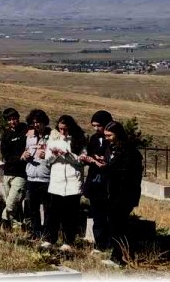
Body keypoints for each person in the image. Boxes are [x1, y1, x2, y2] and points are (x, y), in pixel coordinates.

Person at [101, 120, 143, 263]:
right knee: (114, 226)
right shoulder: (111, 148)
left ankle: (121, 257)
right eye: (105, 136)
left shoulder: (129, 151)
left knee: (119, 226)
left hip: (124, 194)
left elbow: (127, 175)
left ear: (118, 134)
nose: (106, 138)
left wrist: (108, 168)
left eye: (109, 135)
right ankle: (117, 255)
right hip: (112, 193)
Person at [43, 115, 86, 252]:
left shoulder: (79, 139)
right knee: (53, 213)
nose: (62, 132)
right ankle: (50, 239)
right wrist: (55, 154)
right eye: (60, 129)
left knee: (70, 214)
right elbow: (47, 160)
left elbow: (81, 160)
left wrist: (68, 155)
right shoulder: (53, 138)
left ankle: (68, 241)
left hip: (73, 181)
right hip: (57, 182)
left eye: (65, 129)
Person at [82, 110, 113, 249]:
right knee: (97, 216)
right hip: (95, 181)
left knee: (108, 216)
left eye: (98, 125)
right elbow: (90, 155)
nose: (96, 129)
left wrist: (102, 161)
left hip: (108, 183)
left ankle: (110, 242)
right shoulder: (94, 138)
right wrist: (88, 159)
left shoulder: (112, 140)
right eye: (93, 126)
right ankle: (100, 244)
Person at [22, 109, 52, 239]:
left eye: (39, 122)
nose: (36, 125)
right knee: (32, 207)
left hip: (46, 177)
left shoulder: (52, 136)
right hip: (31, 175)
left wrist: (48, 155)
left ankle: (47, 233)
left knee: (47, 208)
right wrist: (24, 155)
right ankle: (35, 231)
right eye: (33, 122)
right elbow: (24, 151)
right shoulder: (29, 136)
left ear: (44, 122)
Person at [0, 108, 28, 228]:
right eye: (9, 120)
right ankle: (17, 228)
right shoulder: (5, 135)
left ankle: (3, 219)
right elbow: (6, 156)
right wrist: (18, 157)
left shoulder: (26, 129)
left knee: (11, 202)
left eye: (14, 118)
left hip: (21, 173)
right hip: (7, 172)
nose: (13, 121)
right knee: (14, 203)